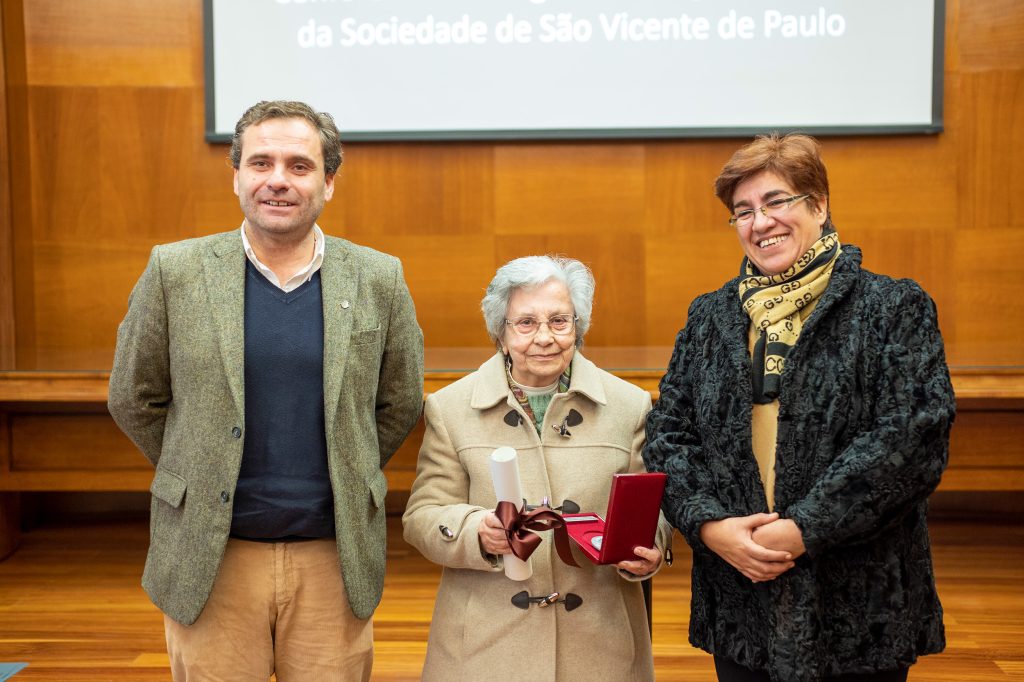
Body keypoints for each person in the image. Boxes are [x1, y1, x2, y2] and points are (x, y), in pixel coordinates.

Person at [107, 100, 424, 681]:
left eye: (299, 166)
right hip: (212, 555)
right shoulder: (174, 271)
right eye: (261, 163)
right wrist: (201, 465)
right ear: (236, 176)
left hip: (333, 556)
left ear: (328, 181)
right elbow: (134, 395)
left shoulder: (379, 277)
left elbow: (399, 400)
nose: (278, 179)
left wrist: (347, 461)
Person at [643, 133, 955, 682]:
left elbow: (911, 439)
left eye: (777, 201)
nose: (760, 223)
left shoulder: (892, 307)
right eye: (743, 211)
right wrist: (712, 527)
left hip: (860, 602)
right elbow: (669, 435)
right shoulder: (709, 317)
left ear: (819, 204)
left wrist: (802, 529)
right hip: (741, 592)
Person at [402, 256, 672, 681]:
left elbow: (653, 512)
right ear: (501, 334)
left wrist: (647, 550)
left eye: (559, 321)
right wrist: (477, 531)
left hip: (601, 644)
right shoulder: (450, 407)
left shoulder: (629, 405)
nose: (544, 337)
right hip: (485, 646)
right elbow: (423, 516)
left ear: (578, 326)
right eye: (525, 323)